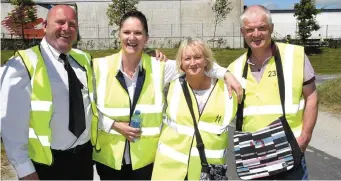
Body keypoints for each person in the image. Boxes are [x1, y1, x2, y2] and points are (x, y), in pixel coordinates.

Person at [92, 11, 242, 180]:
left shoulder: (160, 67)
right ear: (119, 34)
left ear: (146, 38)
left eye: (138, 33)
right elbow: (88, 109)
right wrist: (114, 125)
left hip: (145, 160)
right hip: (109, 157)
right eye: (127, 32)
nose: (132, 38)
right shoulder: (99, 66)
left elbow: (192, 62)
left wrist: (225, 74)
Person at [0, 5, 99, 180]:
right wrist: (25, 170)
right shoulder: (23, 64)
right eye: (60, 22)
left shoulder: (84, 59)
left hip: (84, 159)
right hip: (48, 165)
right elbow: (11, 125)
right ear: (45, 26)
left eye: (72, 24)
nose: (66, 28)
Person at [228, 5, 318, 180]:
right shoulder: (235, 68)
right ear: (242, 32)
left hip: (290, 151)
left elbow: (312, 96)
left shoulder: (295, 56)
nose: (256, 34)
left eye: (262, 28)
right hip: (253, 156)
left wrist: (305, 138)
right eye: (250, 29)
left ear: (271, 28)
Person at [151, 38, 238, 180]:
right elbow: (138, 54)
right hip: (169, 170)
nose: (192, 63)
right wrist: (151, 51)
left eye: (198, 57)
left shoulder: (226, 88)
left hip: (208, 172)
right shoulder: (174, 82)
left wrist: (225, 73)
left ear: (206, 61)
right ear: (181, 63)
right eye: (187, 58)